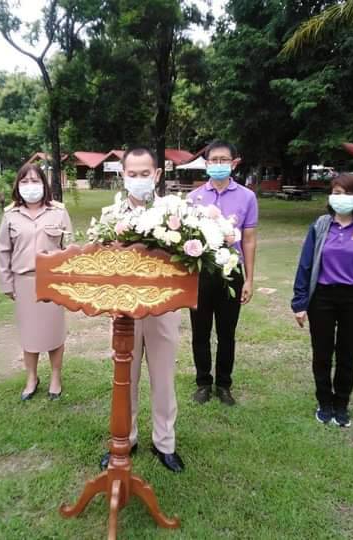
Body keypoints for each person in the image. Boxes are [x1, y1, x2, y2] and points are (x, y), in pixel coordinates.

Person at [99, 146, 185, 473]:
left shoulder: (174, 215)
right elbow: (103, 265)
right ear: (123, 176)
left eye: (144, 173)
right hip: (124, 312)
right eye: (132, 174)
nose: (138, 179)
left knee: (163, 378)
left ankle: (165, 443)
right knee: (125, 377)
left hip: (164, 308)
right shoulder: (110, 216)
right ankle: (126, 438)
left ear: (157, 174)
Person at [291, 174, 353, 428]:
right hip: (322, 297)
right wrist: (300, 303)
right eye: (336, 192)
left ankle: (341, 404)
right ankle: (324, 402)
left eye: (346, 193)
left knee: (347, 356)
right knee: (321, 354)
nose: (340, 198)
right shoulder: (320, 226)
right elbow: (305, 265)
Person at [187, 140, 258, 406]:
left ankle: (224, 384)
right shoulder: (193, 198)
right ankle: (203, 382)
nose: (218, 164)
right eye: (214, 160)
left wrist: (249, 279)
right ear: (206, 164)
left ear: (234, 163)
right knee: (200, 331)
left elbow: (249, 240)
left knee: (227, 332)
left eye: (223, 160)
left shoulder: (247, 197)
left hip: (232, 271)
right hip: (202, 272)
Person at [0, 164, 72, 401]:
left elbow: (69, 249)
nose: (30, 186)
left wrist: (68, 282)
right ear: (18, 185)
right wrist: (7, 283)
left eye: (35, 180)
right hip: (24, 281)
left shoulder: (58, 212)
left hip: (53, 282)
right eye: (25, 181)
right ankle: (31, 377)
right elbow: (3, 251)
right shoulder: (11, 215)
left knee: (54, 333)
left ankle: (56, 376)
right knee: (29, 334)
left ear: (44, 184)